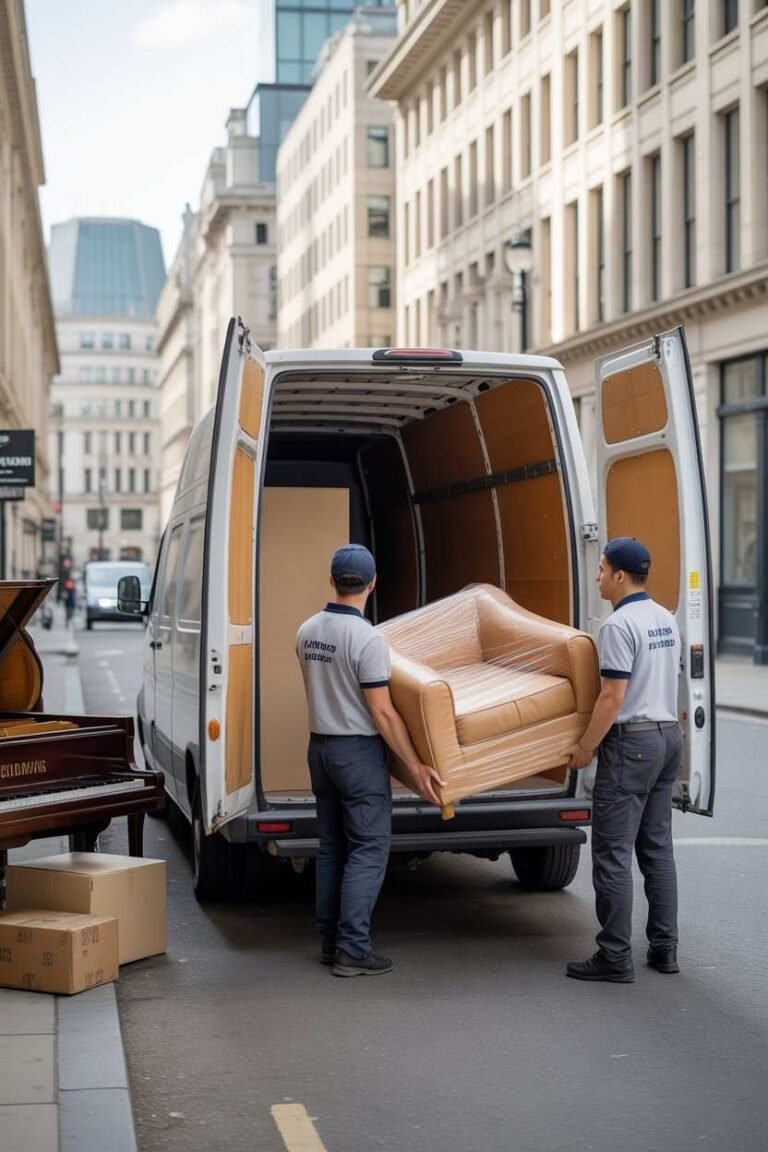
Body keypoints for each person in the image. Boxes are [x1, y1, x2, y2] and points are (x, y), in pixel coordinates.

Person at [296, 544, 443, 979]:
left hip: (320, 748)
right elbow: (382, 712)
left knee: (331, 848)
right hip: (356, 752)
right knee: (368, 849)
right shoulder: (368, 639)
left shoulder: (306, 630)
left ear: (332, 581)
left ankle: (330, 942)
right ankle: (353, 950)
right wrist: (416, 765)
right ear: (373, 584)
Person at [564, 537, 683, 984]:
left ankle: (614, 955)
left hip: (631, 742)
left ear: (618, 576)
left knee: (612, 853)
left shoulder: (617, 626)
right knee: (657, 850)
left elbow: (612, 697)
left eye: (601, 569)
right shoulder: (664, 619)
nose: (597, 577)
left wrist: (586, 747)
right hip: (668, 738)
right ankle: (665, 948)